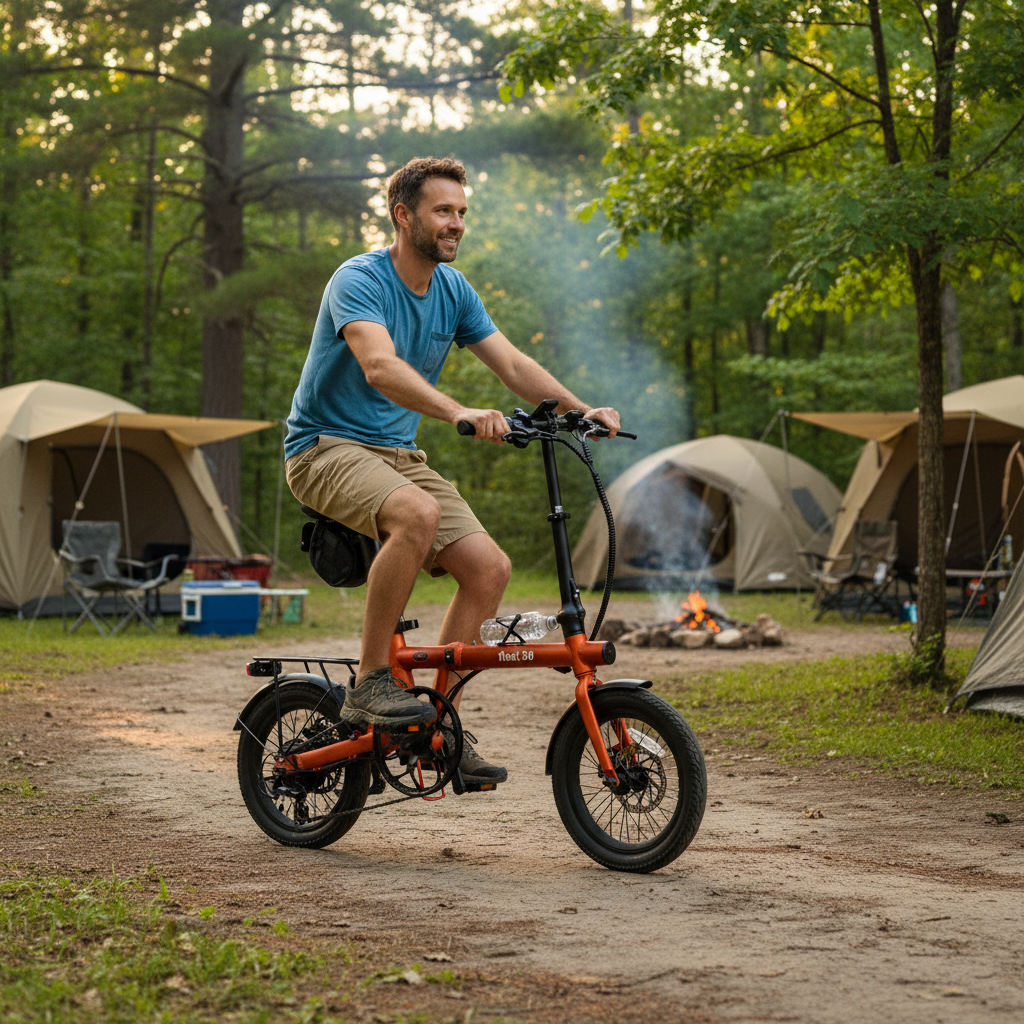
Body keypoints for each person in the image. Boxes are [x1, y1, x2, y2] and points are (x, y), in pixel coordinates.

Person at [284, 156, 619, 785]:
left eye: (462, 213)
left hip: (397, 456)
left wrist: (581, 410)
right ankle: (370, 681)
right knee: (418, 512)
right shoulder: (359, 279)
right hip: (323, 449)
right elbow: (379, 366)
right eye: (444, 211)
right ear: (403, 215)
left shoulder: (453, 291)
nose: (456, 223)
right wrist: (458, 411)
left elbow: (514, 366)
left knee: (489, 569)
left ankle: (439, 727)